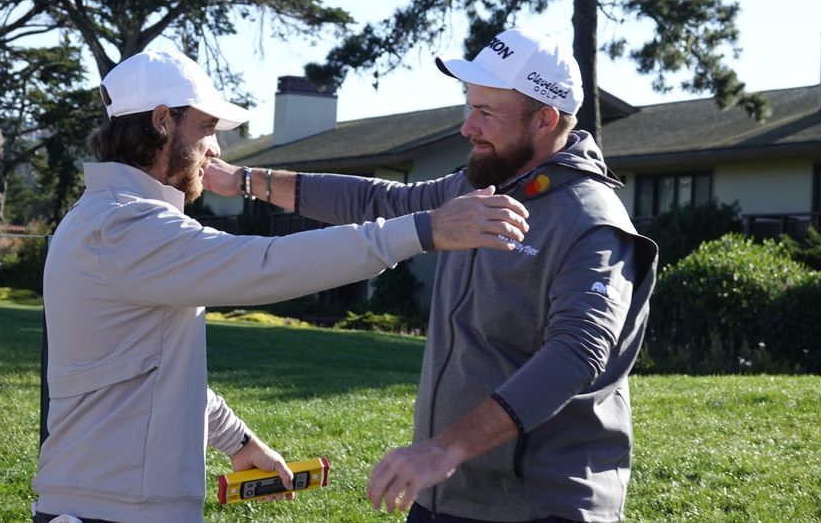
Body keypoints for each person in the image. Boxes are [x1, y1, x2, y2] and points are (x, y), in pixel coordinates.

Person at [31, 49, 531, 523]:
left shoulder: (116, 219)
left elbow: (147, 371)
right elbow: (268, 263)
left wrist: (238, 441)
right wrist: (425, 230)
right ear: (162, 121)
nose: (215, 147)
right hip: (108, 509)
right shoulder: (122, 226)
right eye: (206, 127)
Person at [205, 28, 659, 522]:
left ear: (545, 119)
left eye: (486, 113)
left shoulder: (592, 223)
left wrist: (446, 448)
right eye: (470, 107)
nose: (468, 127)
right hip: (448, 497)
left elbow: (578, 353)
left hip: (543, 508)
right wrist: (242, 180)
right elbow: (379, 203)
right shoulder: (480, 188)